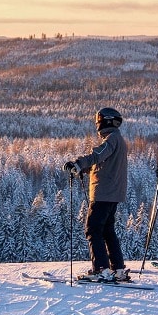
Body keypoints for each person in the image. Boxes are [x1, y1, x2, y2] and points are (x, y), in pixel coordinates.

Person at [63, 107, 130, 282]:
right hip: (112, 193)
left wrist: (78, 163)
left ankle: (101, 269)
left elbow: (98, 155)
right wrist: (83, 169)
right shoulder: (118, 139)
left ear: (105, 121)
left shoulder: (112, 139)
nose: (97, 123)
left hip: (104, 193)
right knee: (107, 231)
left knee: (93, 229)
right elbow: (102, 164)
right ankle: (118, 269)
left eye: (98, 120)